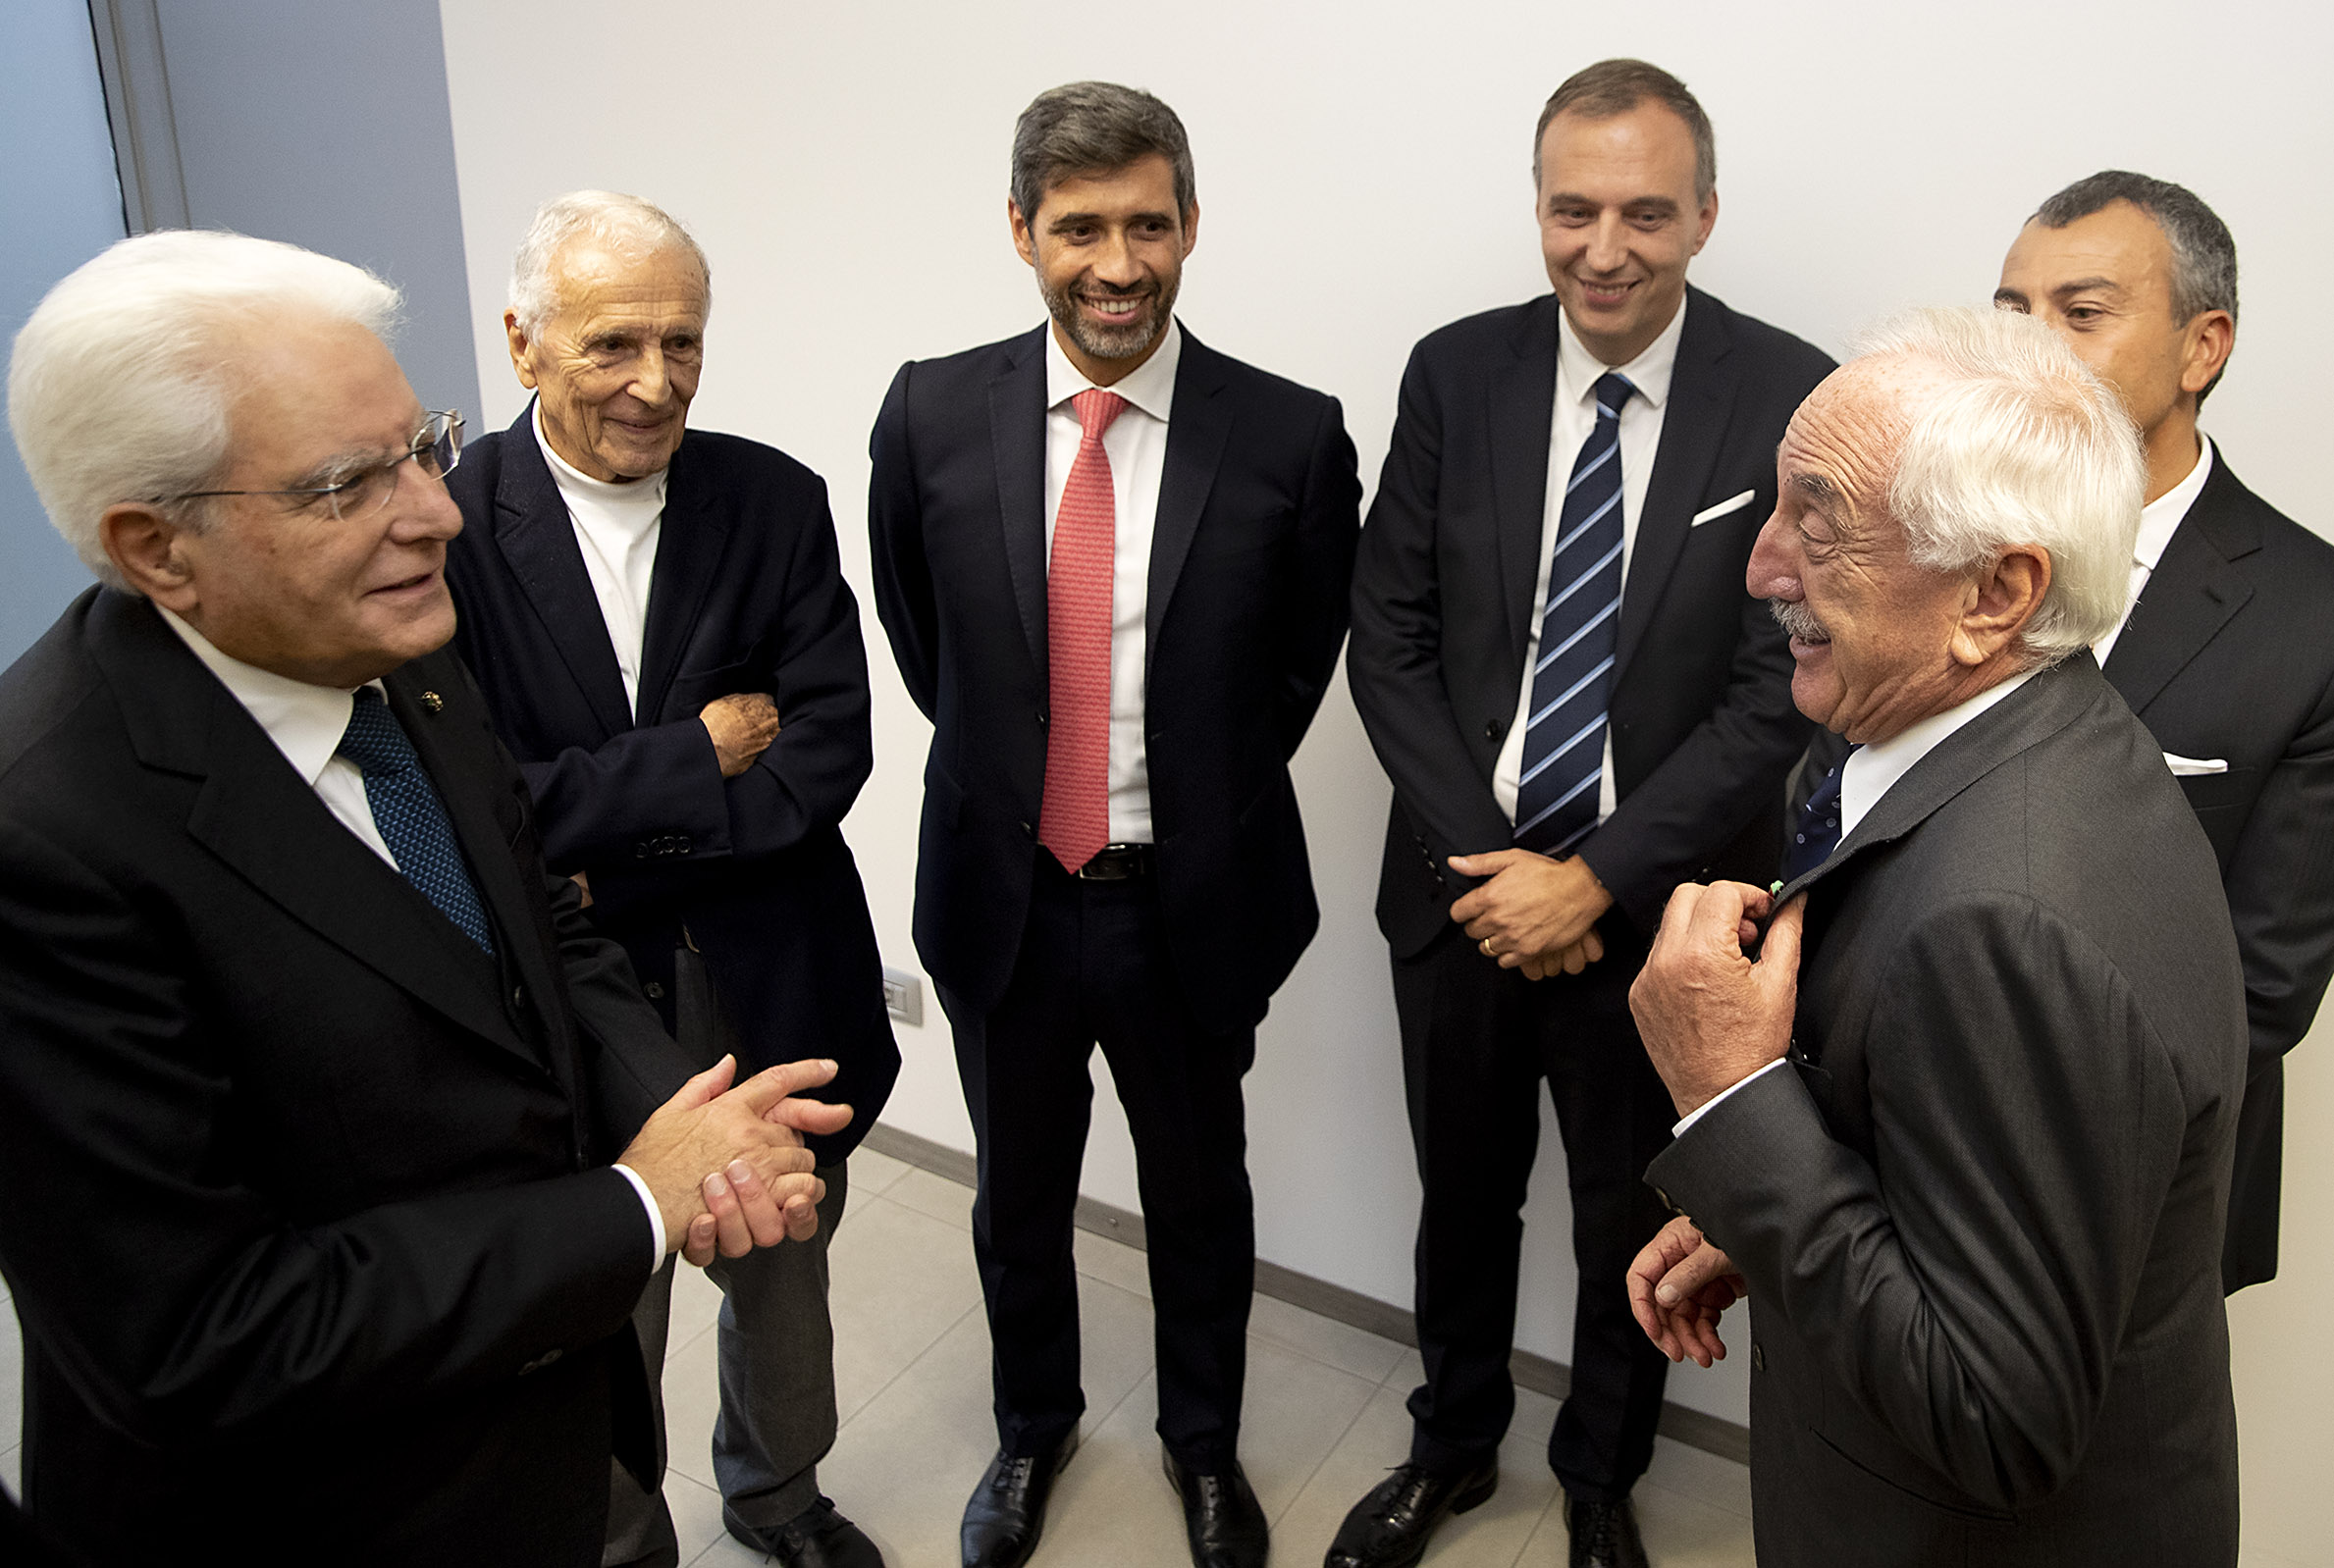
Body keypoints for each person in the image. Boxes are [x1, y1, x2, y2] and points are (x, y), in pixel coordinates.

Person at [0, 230, 850, 1567]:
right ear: (157, 547)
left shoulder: (396, 661)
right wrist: (635, 1204)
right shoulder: (41, 836)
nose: (436, 512)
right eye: (348, 482)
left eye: (419, 447)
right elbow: (203, 1335)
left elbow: (541, 920)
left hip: (545, 1441)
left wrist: (684, 1120)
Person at [1627, 306, 2245, 1566]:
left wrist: (1727, 1100)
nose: (1761, 566)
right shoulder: (2041, 731)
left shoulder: (2001, 920)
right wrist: (1767, 1204)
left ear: (1994, 594)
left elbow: (1994, 1417)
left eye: (1818, 523)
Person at [1340, 59, 1830, 1568]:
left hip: (1665, 915)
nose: (1602, 249)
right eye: (1571, 210)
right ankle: (1448, 1444)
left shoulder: (1788, 393)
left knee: (1631, 1209)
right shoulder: (1454, 372)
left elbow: (1774, 690)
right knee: (1460, 1196)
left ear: (1704, 214)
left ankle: (1600, 1476)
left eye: (1642, 213)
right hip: (1461, 896)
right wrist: (1498, 874)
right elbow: (1387, 636)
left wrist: (1592, 877)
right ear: (1538, 206)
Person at [868, 79, 1359, 1568]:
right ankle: (1032, 1429)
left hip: (1187, 902)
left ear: (1191, 225)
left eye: (1147, 224)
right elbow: (928, 645)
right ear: (1021, 231)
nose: (1117, 264)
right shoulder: (928, 412)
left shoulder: (1288, 435)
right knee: (1016, 1197)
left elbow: (1293, 668)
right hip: (1003, 893)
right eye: (1079, 228)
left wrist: (1185, 798)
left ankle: (1202, 1446)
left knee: (1198, 1196)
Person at [444, 190, 899, 1568]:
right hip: (578, 999)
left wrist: (609, 850)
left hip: (770, 974)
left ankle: (777, 1494)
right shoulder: (445, 532)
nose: (657, 382)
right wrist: (694, 754)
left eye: (683, 342)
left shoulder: (772, 499)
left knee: (783, 1270)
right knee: (604, 1294)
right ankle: (617, 1534)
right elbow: (481, 802)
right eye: (613, 344)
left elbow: (826, 749)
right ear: (523, 343)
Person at [1994, 171, 2334, 1293]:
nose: (2030, 349)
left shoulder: (2310, 616)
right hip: (1893, 1144)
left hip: (2147, 1190)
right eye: (2011, 311)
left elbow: (2260, 982)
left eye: (2079, 313)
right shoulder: (1937, 546)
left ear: (2201, 347)